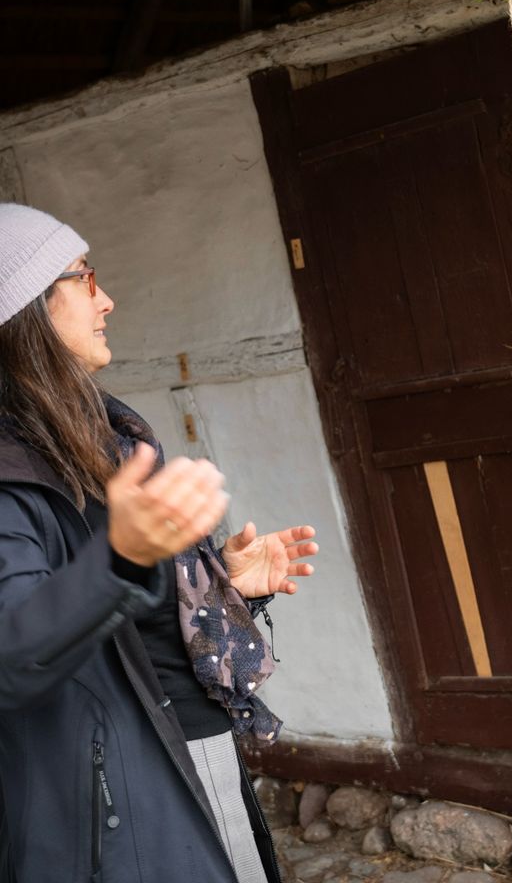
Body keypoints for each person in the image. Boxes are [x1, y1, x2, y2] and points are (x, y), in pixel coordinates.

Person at [0, 203, 319, 883]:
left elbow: (124, 621)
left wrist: (220, 588)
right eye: (84, 278)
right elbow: (11, 650)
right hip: (117, 793)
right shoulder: (9, 472)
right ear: (26, 306)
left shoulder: (95, 434)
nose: (106, 299)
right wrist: (123, 556)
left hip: (185, 749)